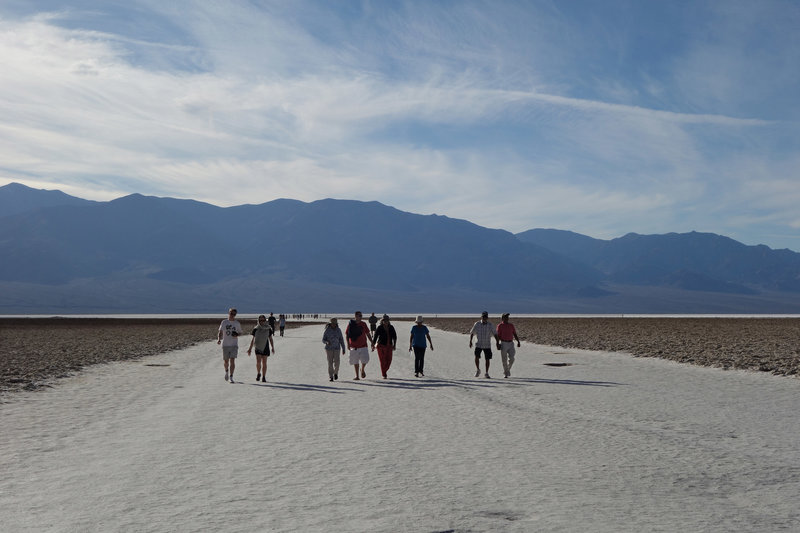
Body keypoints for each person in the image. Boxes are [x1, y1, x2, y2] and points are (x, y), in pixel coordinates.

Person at [469, 311, 498, 378]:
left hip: (487, 344)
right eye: (483, 316)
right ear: (481, 317)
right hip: (478, 344)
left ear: (487, 317)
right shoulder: (477, 324)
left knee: (487, 359)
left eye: (486, 317)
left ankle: (486, 373)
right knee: (476, 357)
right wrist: (470, 341)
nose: (484, 318)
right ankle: (478, 370)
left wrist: (497, 342)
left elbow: (495, 333)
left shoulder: (490, 325)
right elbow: (472, 333)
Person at [217, 308, 243, 383]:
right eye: (231, 313)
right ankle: (226, 371)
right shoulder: (224, 322)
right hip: (225, 344)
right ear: (229, 313)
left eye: (234, 314)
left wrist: (237, 335)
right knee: (226, 361)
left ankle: (231, 377)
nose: (232, 315)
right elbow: (220, 331)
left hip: (234, 345)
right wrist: (219, 339)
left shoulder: (237, 323)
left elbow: (240, 332)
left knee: (232, 360)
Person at [346, 311, 374, 380]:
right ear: (355, 316)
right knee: (355, 361)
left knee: (365, 360)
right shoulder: (351, 324)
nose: (361, 317)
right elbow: (347, 334)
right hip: (353, 346)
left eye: (361, 316)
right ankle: (357, 376)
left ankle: (362, 369)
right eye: (359, 316)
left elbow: (367, 333)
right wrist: (348, 344)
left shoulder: (363, 324)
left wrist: (372, 342)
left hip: (363, 345)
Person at [247, 314, 275, 382]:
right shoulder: (256, 328)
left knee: (264, 362)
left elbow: (270, 339)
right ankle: (258, 373)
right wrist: (250, 349)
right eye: (260, 320)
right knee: (258, 362)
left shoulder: (268, 328)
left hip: (265, 346)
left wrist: (272, 347)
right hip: (257, 346)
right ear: (258, 321)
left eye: (263, 320)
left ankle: (264, 377)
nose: (262, 321)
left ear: (265, 320)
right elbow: (253, 339)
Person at [496, 313, 521, 378]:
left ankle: (507, 370)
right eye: (505, 317)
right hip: (504, 343)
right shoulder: (500, 326)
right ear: (502, 318)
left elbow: (514, 334)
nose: (507, 318)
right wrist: (497, 344)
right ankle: (506, 373)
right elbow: (498, 336)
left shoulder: (511, 325)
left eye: (507, 317)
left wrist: (518, 341)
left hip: (511, 343)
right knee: (504, 359)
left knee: (512, 359)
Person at [372, 314, 397, 379]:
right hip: (381, 346)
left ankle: (384, 370)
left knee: (389, 360)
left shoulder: (391, 327)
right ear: (382, 321)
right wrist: (373, 344)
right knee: (382, 360)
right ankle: (384, 374)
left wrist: (394, 345)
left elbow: (394, 336)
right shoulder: (380, 327)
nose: (386, 322)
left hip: (389, 346)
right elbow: (375, 336)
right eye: (384, 320)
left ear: (388, 321)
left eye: (387, 320)